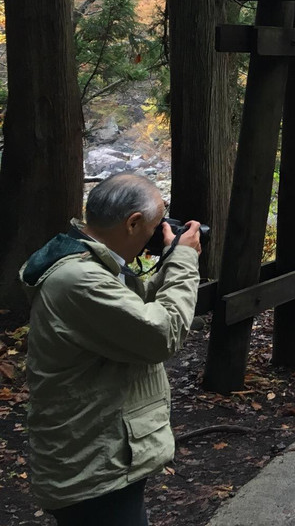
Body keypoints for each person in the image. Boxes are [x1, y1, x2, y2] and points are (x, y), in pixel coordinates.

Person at [19, 172, 202, 525]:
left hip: (101, 455)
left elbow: (134, 311)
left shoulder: (90, 263)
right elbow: (162, 334)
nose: (159, 233)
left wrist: (171, 259)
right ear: (133, 223)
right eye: (155, 226)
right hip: (93, 469)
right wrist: (182, 260)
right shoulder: (80, 279)